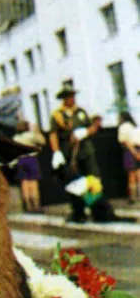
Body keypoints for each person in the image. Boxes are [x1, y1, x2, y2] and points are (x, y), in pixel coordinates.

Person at [49, 83, 116, 223]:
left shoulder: (81, 112)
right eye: (69, 97)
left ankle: (98, 211)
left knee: (93, 181)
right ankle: (79, 212)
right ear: (64, 99)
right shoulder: (57, 115)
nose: (72, 99)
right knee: (75, 185)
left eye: (73, 96)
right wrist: (56, 152)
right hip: (70, 154)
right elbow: (53, 134)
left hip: (86, 151)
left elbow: (93, 128)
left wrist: (85, 132)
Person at [13, 120, 45, 213]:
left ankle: (28, 207)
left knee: (25, 184)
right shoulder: (30, 136)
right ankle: (36, 206)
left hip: (21, 160)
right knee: (33, 183)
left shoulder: (15, 138)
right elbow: (42, 141)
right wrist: (37, 131)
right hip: (31, 159)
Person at [117, 111, 140, 203]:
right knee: (138, 173)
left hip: (130, 151)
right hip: (137, 150)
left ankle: (132, 197)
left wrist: (134, 152)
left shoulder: (123, 127)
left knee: (132, 174)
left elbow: (125, 142)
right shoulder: (135, 127)